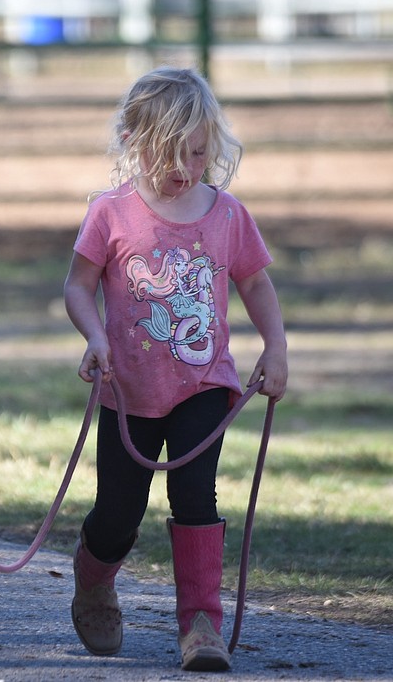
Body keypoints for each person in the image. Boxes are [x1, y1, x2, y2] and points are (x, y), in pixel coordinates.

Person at [63, 66, 287, 671]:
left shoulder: (228, 215)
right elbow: (79, 287)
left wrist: (277, 348)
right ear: (138, 144)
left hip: (203, 386)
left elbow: (256, 283)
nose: (187, 166)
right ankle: (93, 577)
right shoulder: (110, 214)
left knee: (196, 496)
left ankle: (201, 624)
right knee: (118, 511)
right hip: (127, 391)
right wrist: (93, 337)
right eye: (173, 153)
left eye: (198, 151)